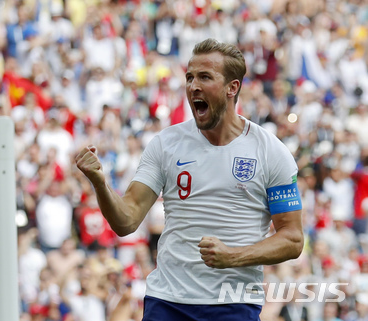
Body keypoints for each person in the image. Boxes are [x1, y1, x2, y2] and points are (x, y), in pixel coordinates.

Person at [75, 38, 304, 321]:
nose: (193, 86)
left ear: (232, 88)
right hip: (168, 302)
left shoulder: (271, 152)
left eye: (205, 77)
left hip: (232, 305)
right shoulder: (165, 144)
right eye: (189, 77)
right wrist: (99, 182)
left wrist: (233, 257)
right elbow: (126, 221)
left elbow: (293, 240)